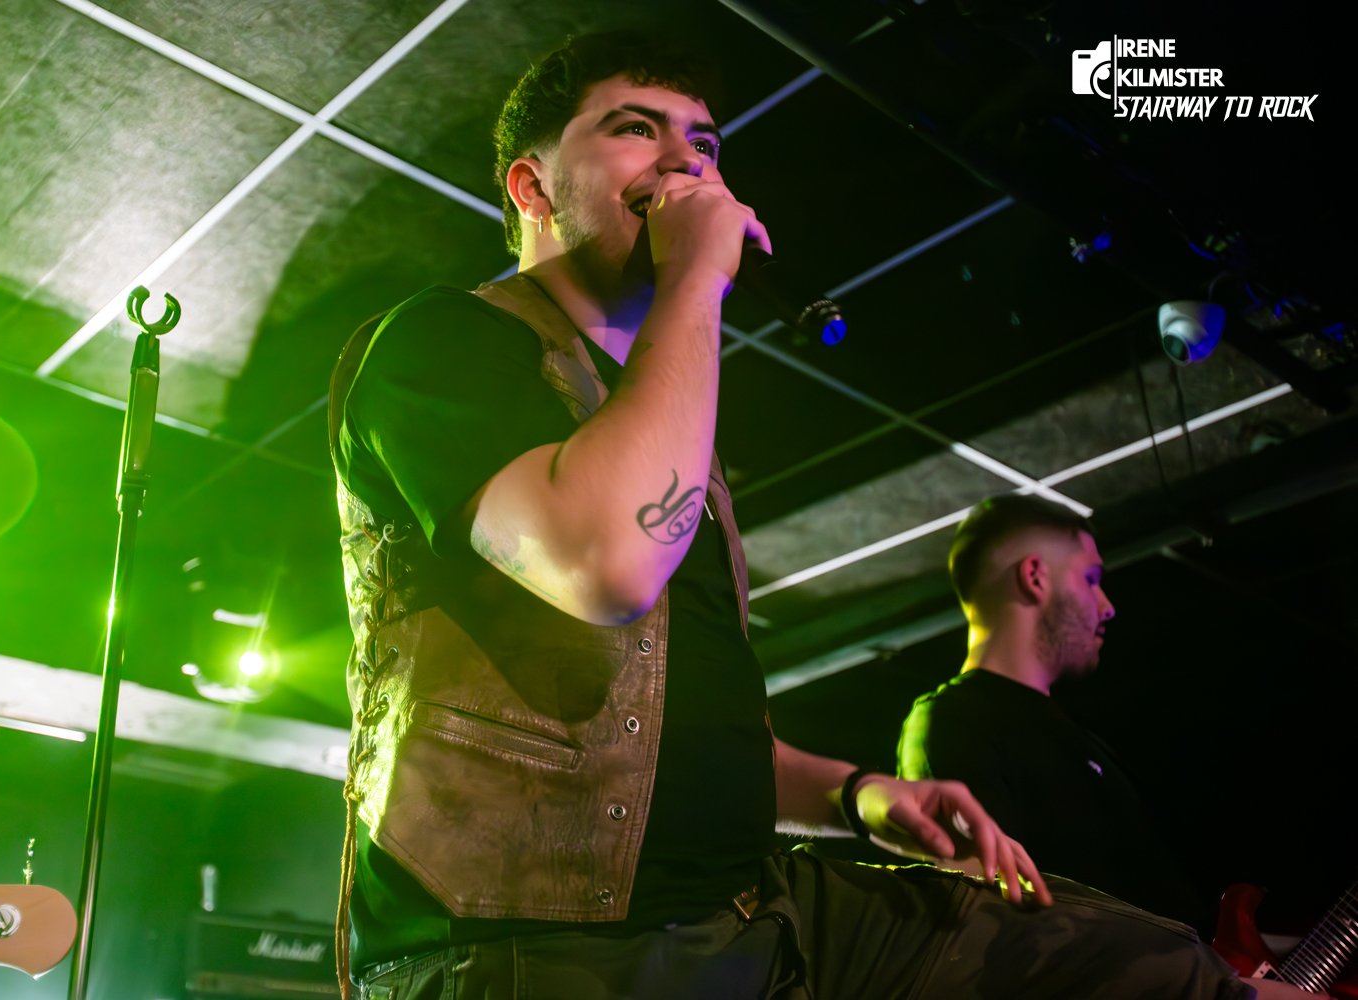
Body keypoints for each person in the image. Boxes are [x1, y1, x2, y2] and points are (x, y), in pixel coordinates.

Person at [326, 29, 1313, 1000]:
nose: (685, 163)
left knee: (1156, 966)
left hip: (753, 906)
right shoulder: (439, 339)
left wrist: (857, 793)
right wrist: (696, 280)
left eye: (705, 144)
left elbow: (673, 730)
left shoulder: (663, 421)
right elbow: (606, 567)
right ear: (532, 188)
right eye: (634, 129)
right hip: (535, 939)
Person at [895, 493, 1213, 934]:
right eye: (1090, 578)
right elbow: (986, 921)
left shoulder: (1077, 736)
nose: (1106, 604)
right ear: (1034, 576)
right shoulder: (953, 722)